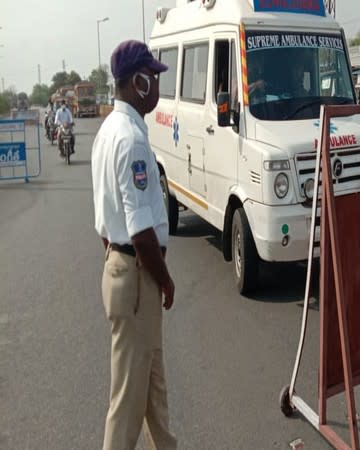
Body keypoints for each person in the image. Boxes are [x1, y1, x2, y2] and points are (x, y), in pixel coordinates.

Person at [91, 40, 178, 449]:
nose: (158, 85)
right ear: (138, 82)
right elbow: (141, 232)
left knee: (152, 387)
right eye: (154, 77)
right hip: (138, 276)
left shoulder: (108, 130)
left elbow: (105, 224)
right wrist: (165, 281)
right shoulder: (132, 141)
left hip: (121, 266)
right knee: (127, 400)